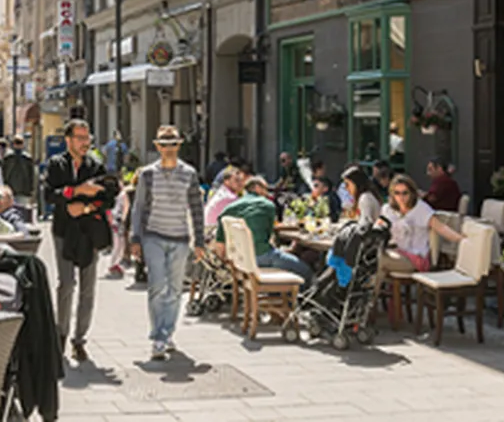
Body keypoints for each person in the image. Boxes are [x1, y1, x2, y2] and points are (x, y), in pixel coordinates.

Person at [43, 119, 118, 362]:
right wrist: (76, 192)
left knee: (88, 289)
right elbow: (48, 194)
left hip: (89, 231)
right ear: (68, 140)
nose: (85, 143)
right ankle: (60, 336)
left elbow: (107, 199)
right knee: (66, 285)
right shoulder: (57, 165)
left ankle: (80, 340)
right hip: (64, 231)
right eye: (80, 138)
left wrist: (84, 208)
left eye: (87, 138)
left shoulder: (95, 166)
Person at [130, 125, 205, 361]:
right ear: (157, 147)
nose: (169, 149)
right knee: (157, 286)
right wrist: (135, 238)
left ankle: (168, 332)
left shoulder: (189, 173)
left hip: (180, 238)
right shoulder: (148, 174)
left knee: (174, 289)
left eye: (173, 144)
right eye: (164, 144)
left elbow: (196, 208)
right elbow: (139, 207)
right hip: (154, 235)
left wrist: (199, 241)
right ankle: (158, 337)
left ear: (179, 145)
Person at [214, 176, 312, 283]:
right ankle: (295, 298)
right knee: (306, 271)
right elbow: (268, 236)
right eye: (265, 189)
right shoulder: (267, 205)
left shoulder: (229, 208)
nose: (267, 193)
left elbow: (220, 244)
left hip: (239, 261)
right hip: (262, 257)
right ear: (257, 188)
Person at [378, 175, 463, 287]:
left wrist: (461, 239)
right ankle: (367, 300)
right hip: (393, 252)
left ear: (412, 193)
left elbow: (441, 228)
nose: (401, 197)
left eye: (405, 193)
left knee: (377, 262)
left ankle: (366, 301)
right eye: (397, 193)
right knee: (371, 260)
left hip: (415, 257)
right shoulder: (387, 209)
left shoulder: (421, 209)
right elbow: (377, 228)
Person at [2, 135, 37, 211]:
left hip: (10, 188)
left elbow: (3, 173)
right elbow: (32, 175)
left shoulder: (8, 157)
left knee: (10, 210)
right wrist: (32, 189)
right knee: (22, 209)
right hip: (24, 188)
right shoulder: (27, 158)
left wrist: (4, 185)